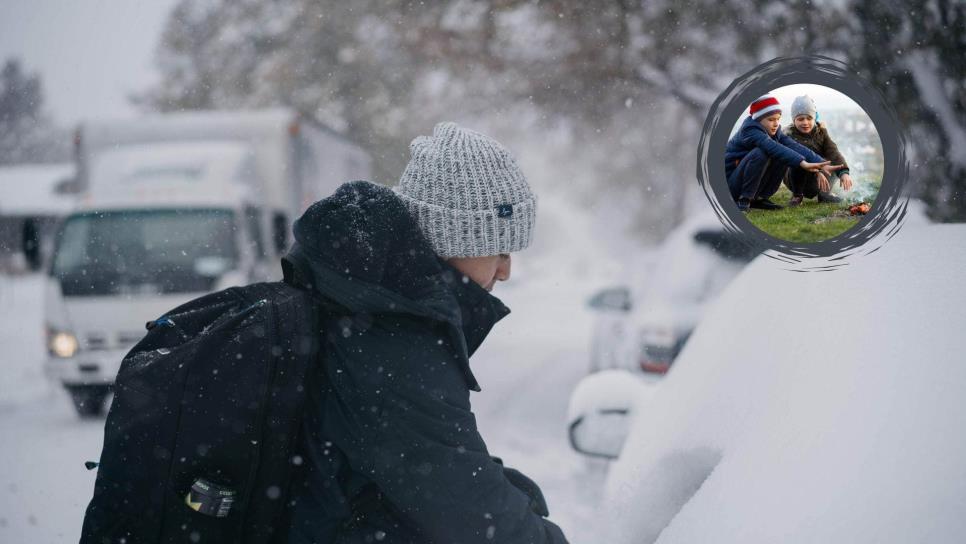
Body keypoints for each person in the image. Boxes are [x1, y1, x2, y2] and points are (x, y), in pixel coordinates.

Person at [283, 122, 568, 543]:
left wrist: (519, 498)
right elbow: (470, 509)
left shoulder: (376, 308)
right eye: (500, 250)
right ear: (455, 239)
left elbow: (445, 468)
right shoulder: (392, 338)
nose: (506, 271)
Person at [725, 94, 844, 212]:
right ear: (758, 119)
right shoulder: (750, 130)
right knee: (761, 152)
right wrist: (803, 163)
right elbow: (773, 147)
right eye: (771, 119)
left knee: (783, 155)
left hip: (742, 179)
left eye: (778, 118)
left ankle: (760, 198)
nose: (776, 123)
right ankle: (744, 199)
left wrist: (821, 163)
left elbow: (794, 146)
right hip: (731, 185)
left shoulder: (775, 131)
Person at [782, 95, 854, 206]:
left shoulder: (821, 132)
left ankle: (824, 194)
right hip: (797, 179)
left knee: (833, 162)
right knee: (797, 160)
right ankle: (797, 195)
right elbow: (804, 154)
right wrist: (818, 171)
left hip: (819, 178)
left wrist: (844, 172)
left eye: (809, 118)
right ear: (794, 120)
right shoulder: (789, 135)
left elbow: (833, 152)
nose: (805, 122)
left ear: (814, 118)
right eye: (800, 119)